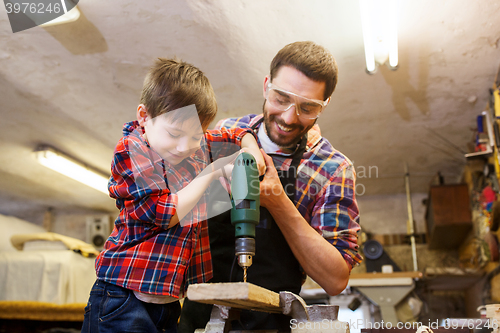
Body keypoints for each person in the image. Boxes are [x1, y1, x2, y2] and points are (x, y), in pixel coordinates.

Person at [179, 41, 363, 332]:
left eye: (308, 107)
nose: (289, 117)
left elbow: (335, 279)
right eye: (281, 98)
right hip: (200, 317)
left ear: (324, 105)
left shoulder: (333, 169)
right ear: (266, 86)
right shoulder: (223, 134)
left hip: (272, 321)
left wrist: (278, 202)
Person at [81, 58, 264, 333]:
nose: (184, 147)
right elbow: (167, 213)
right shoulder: (132, 150)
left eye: (195, 137)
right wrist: (212, 172)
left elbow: (236, 133)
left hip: (167, 302)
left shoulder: (193, 144)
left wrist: (251, 150)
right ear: (144, 116)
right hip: (122, 296)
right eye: (175, 134)